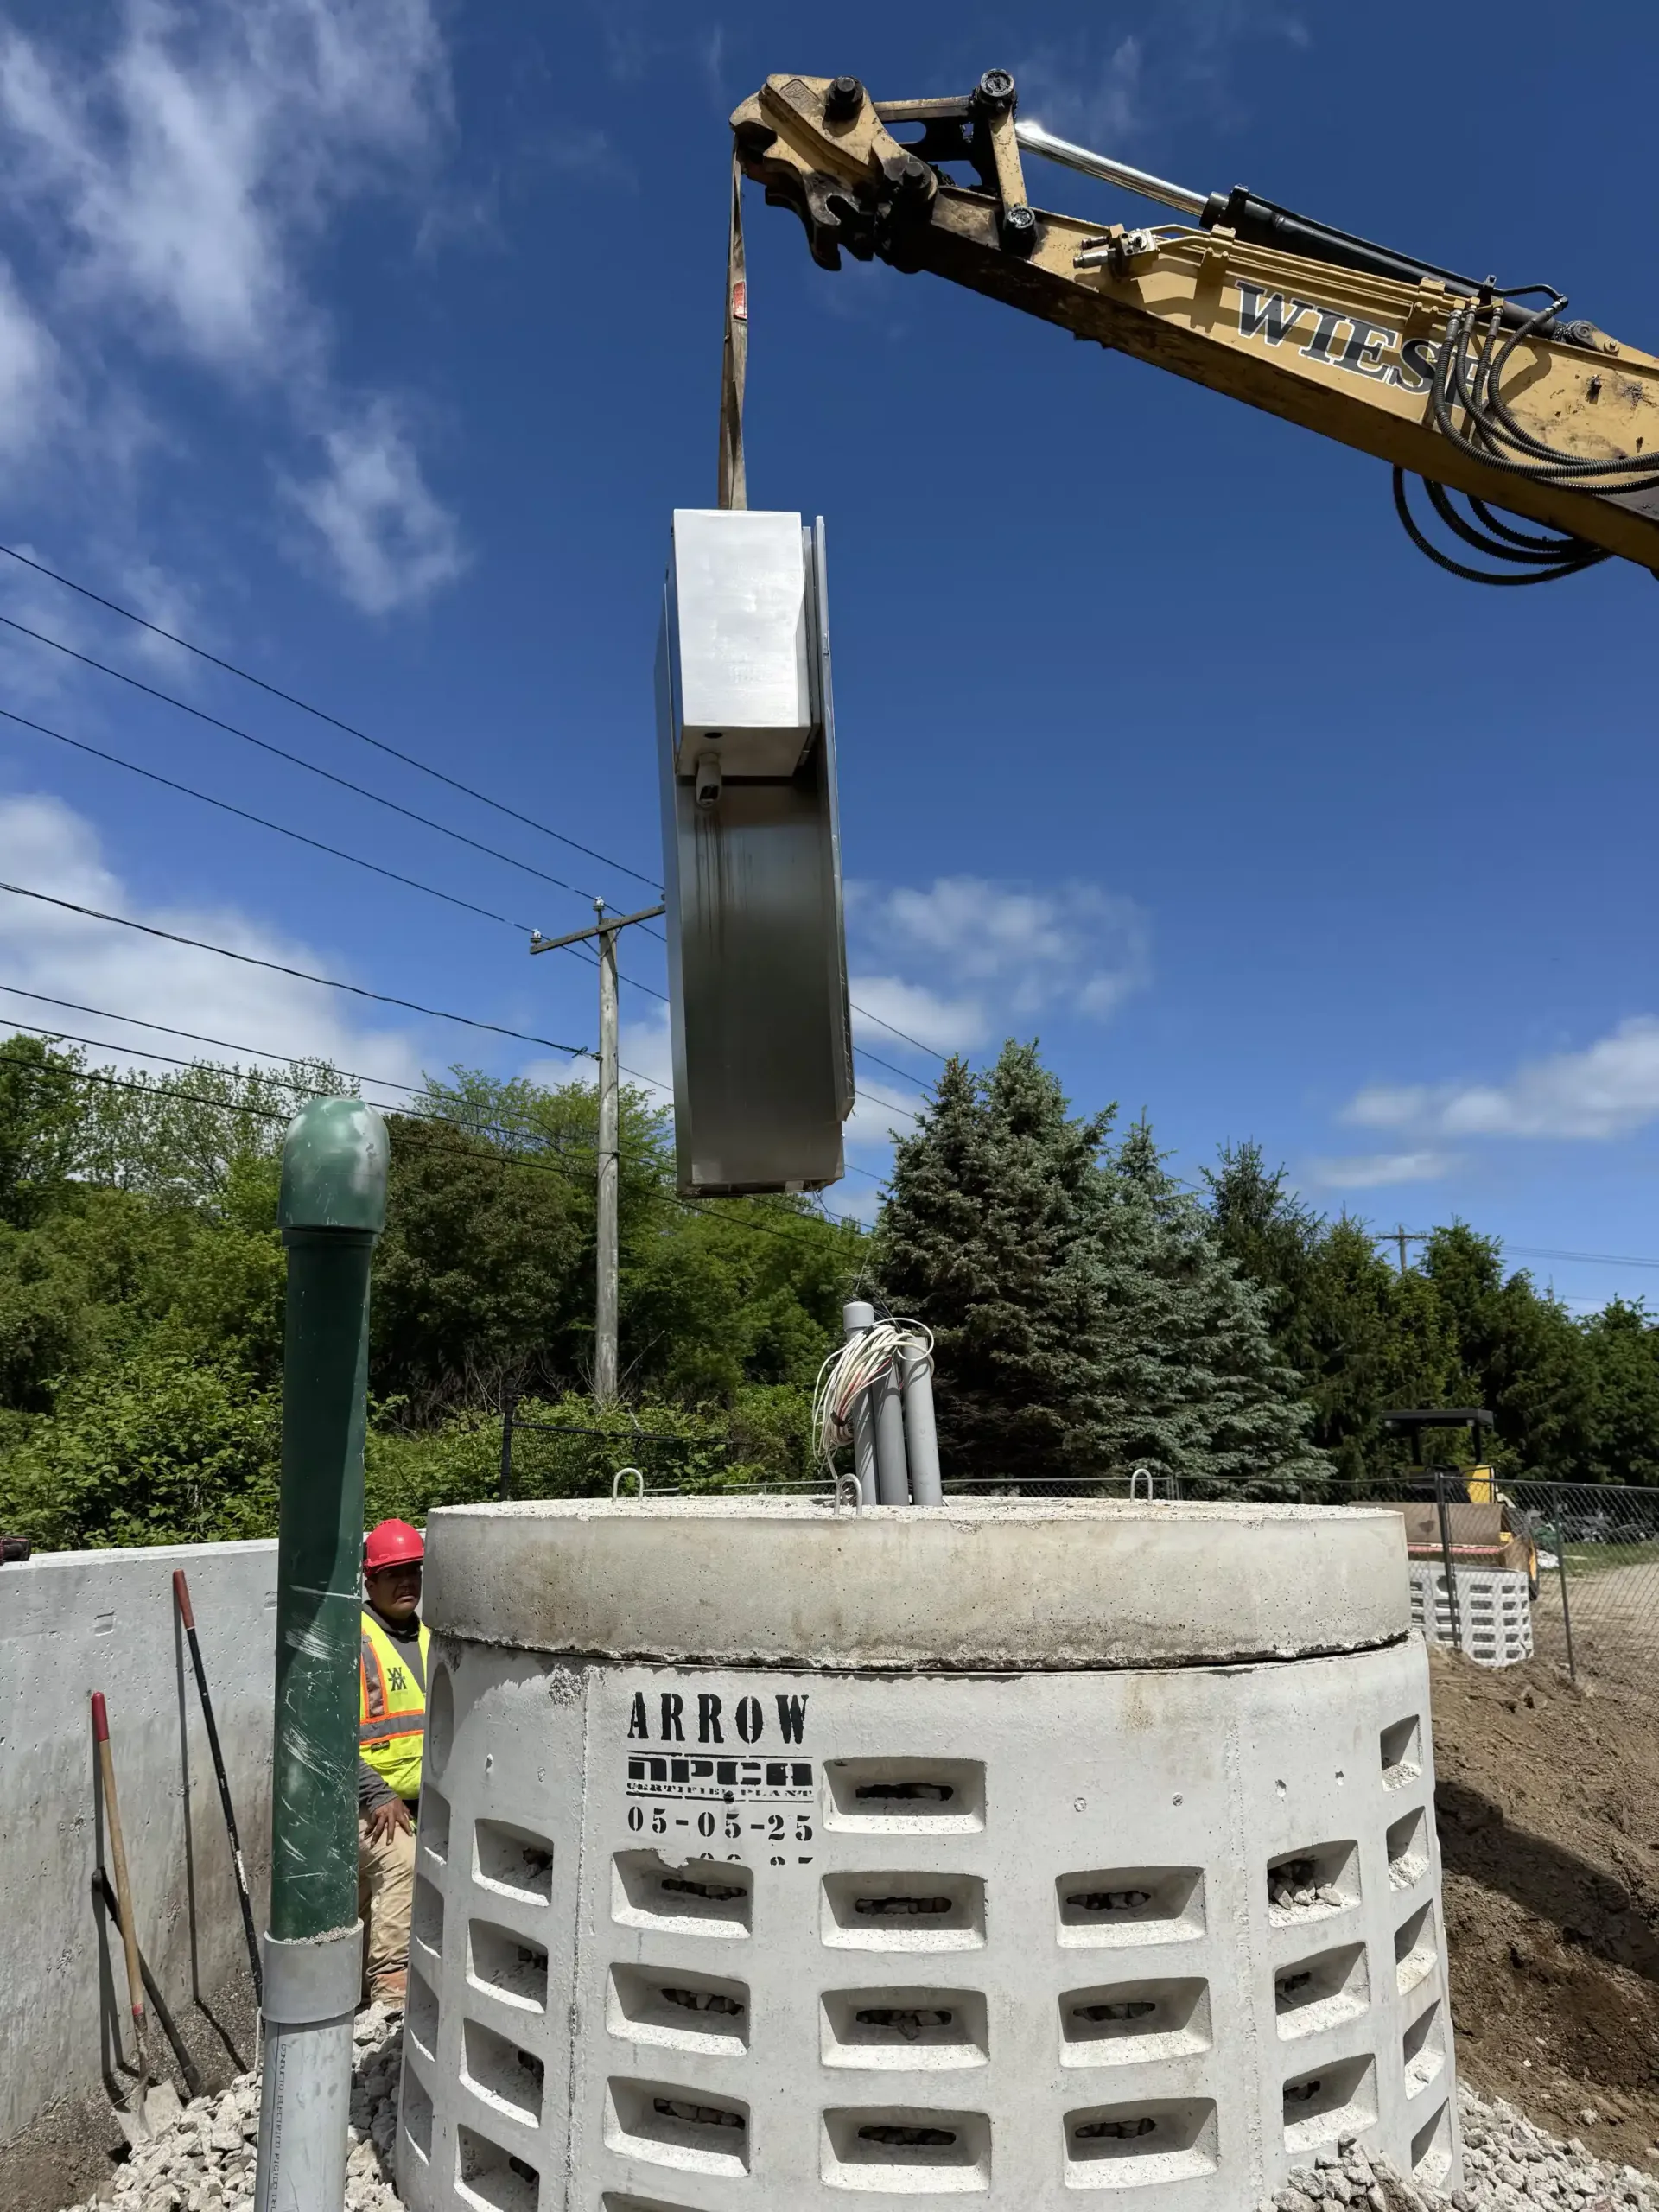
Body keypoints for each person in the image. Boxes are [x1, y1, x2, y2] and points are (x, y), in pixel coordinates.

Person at [358, 1517, 429, 2008]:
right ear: (371, 1581)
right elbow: (328, 1736)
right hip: (362, 1798)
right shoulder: (352, 1641)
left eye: (413, 1571)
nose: (406, 1582)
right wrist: (377, 1792)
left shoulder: (432, 1639)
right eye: (393, 1573)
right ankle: (390, 1985)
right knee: (401, 1860)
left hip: (422, 1799)